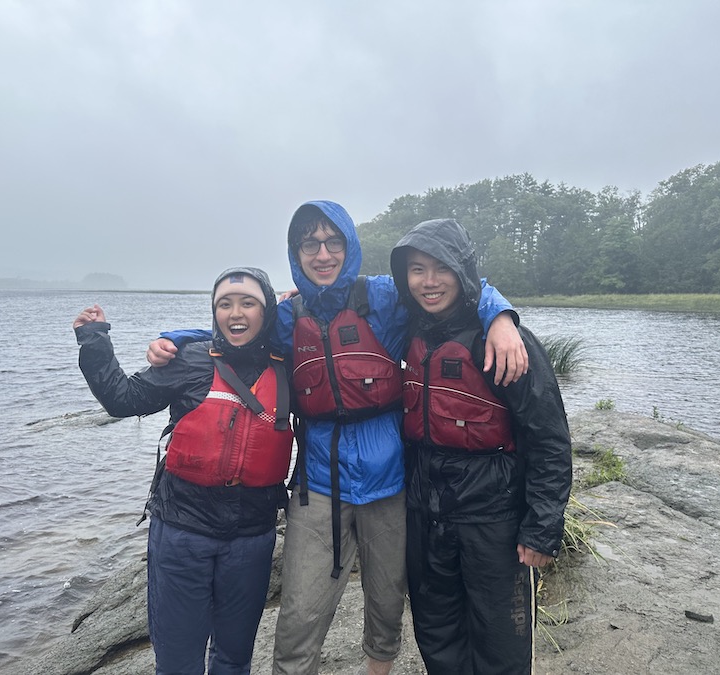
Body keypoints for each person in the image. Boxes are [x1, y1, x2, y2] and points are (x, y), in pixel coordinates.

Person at [146, 200, 527, 675]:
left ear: (349, 246)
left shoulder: (384, 298)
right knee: (299, 615)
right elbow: (239, 330)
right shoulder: (287, 317)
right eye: (310, 244)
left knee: (386, 603)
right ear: (296, 252)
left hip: (389, 482)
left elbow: (456, 291)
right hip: (318, 486)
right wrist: (177, 337)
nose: (322, 254)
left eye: (333, 242)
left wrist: (502, 317)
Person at [73, 267, 293, 675]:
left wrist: (303, 302)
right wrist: (94, 340)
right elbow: (123, 400)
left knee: (233, 657)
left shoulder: (289, 367)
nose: (236, 312)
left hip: (252, 536)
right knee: (177, 661)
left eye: (248, 302)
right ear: (214, 313)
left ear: (268, 311)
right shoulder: (191, 360)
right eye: (224, 304)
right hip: (182, 532)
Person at [389, 219, 573, 675]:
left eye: (441, 269)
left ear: (464, 271)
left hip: (493, 519)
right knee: (437, 634)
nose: (429, 282)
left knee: (500, 644)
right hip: (425, 513)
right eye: (416, 270)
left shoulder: (504, 341)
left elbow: (549, 438)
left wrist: (542, 527)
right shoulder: (405, 329)